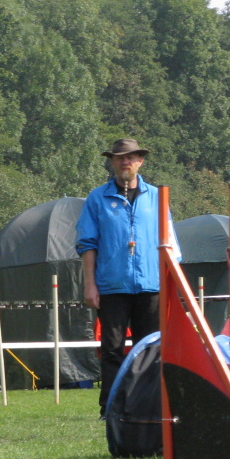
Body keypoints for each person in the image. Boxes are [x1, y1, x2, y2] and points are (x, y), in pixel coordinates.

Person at [76, 138, 177, 418]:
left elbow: (171, 246)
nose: (126, 162)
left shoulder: (158, 197)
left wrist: (173, 284)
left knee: (151, 349)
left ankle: (149, 407)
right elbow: (87, 243)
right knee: (111, 349)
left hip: (151, 286)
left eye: (131, 157)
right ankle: (109, 408)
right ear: (112, 162)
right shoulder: (97, 198)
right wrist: (89, 285)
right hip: (112, 287)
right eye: (120, 158)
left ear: (140, 161)